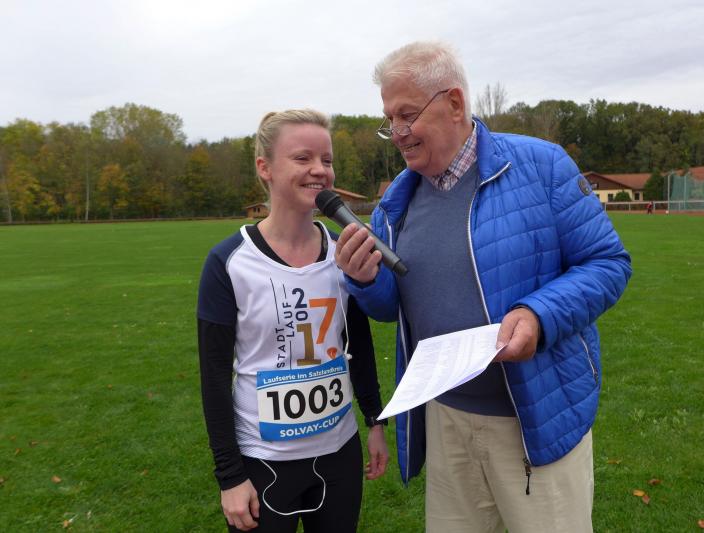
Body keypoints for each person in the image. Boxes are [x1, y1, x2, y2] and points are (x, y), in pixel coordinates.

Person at [334, 42, 632, 532]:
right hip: (445, 417)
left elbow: (608, 263)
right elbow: (393, 308)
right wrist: (365, 278)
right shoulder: (395, 203)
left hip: (535, 420)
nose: (398, 134)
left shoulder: (542, 166)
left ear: (454, 103)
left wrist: (538, 316)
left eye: (407, 115)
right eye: (390, 120)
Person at [197, 109, 389, 533]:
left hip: (339, 453)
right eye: (303, 158)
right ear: (265, 168)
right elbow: (213, 377)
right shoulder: (229, 262)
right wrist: (230, 477)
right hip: (263, 461)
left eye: (327, 159)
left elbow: (358, 344)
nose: (320, 170)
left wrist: (375, 421)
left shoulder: (343, 252)